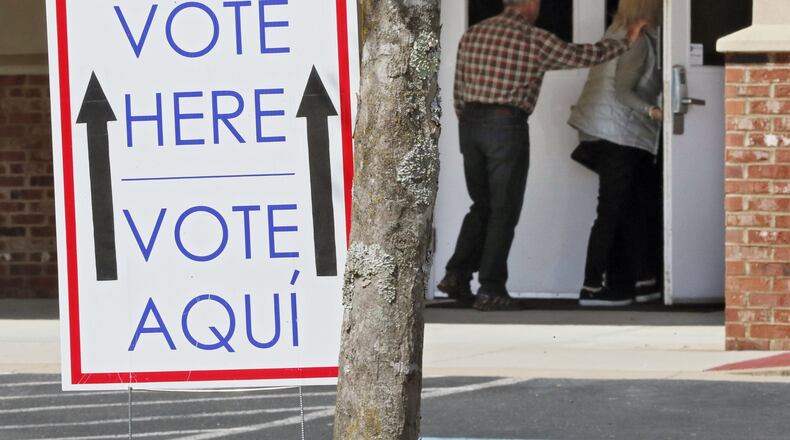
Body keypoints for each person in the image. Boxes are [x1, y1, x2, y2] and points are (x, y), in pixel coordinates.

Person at [438, 0, 648, 311]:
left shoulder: (473, 33)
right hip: (505, 125)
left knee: (481, 204)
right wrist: (624, 42)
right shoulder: (532, 39)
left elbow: (458, 88)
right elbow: (581, 55)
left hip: (470, 125)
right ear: (530, 4)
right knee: (503, 210)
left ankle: (457, 274)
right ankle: (491, 288)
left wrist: (469, 121)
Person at [567, 0, 663, 307]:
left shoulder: (617, 32)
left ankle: (643, 280)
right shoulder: (637, 42)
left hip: (602, 130)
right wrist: (654, 111)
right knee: (611, 210)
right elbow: (623, 91)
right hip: (616, 134)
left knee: (631, 205)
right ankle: (593, 287)